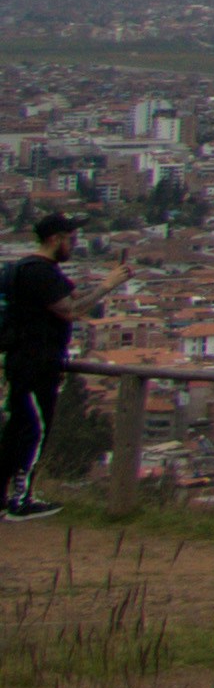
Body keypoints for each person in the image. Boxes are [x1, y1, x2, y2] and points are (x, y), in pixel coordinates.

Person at [1, 214, 85, 521]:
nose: (73, 245)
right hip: (36, 364)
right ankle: (21, 499)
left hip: (22, 361)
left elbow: (73, 297)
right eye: (70, 239)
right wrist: (111, 284)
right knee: (35, 430)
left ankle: (6, 497)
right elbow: (73, 310)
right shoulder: (39, 273)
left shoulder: (22, 269)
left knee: (16, 430)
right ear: (55, 239)